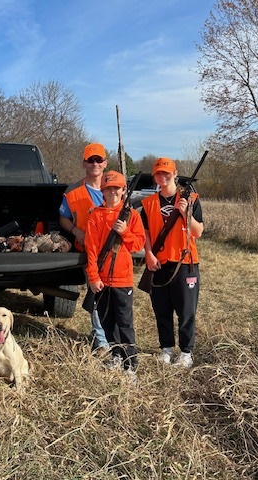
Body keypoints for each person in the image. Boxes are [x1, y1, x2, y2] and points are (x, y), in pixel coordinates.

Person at [141, 157, 204, 368]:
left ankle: (186, 353)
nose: (163, 177)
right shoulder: (148, 204)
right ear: (155, 177)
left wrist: (186, 212)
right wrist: (148, 254)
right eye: (159, 173)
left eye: (167, 173)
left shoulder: (191, 199)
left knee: (186, 311)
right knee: (161, 310)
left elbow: (199, 231)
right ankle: (166, 349)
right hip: (159, 264)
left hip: (185, 264)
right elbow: (147, 234)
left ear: (175, 174)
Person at [85, 170, 145, 373]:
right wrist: (93, 277)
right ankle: (116, 355)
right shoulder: (95, 215)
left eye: (116, 189)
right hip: (101, 279)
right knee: (106, 322)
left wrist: (124, 231)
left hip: (122, 280)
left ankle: (131, 366)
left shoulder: (132, 216)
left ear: (123, 191)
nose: (112, 192)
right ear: (102, 191)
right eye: (108, 188)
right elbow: (91, 249)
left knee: (125, 323)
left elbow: (138, 245)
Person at [59, 143, 114, 352]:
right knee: (97, 290)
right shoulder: (72, 192)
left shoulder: (115, 186)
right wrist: (76, 231)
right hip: (88, 250)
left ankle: (104, 333)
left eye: (99, 160)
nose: (95, 164)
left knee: (113, 293)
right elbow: (63, 218)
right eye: (90, 160)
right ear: (84, 163)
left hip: (112, 251)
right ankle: (101, 338)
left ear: (105, 163)